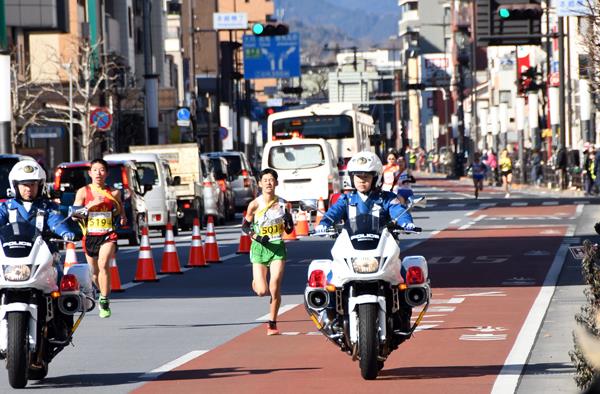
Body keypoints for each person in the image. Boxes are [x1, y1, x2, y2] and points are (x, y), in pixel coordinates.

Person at [0, 160, 76, 339]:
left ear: (40, 186)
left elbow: (56, 222)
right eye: (24, 185)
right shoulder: (6, 207)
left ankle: (62, 325)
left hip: (43, 258)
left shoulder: (48, 207)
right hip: (12, 259)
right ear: (15, 186)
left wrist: (65, 232)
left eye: (33, 185)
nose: (28, 189)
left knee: (61, 286)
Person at [242, 168, 294, 336]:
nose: (269, 183)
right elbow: (245, 226)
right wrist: (257, 237)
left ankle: (272, 323)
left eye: (271, 180)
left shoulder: (283, 204)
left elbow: (288, 230)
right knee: (262, 291)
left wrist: (287, 222)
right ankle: (256, 283)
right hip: (259, 248)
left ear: (276, 183)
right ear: (260, 183)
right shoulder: (255, 204)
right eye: (265, 180)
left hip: (277, 247)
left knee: (275, 285)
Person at [73, 159, 126, 318]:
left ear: (106, 173)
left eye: (102, 170)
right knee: (94, 272)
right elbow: (75, 216)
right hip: (90, 236)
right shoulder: (83, 192)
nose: (98, 173)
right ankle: (102, 291)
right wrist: (90, 205)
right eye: (95, 170)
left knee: (104, 264)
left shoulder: (115, 193)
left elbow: (120, 211)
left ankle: (104, 300)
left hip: (108, 235)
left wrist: (122, 217)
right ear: (90, 173)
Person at [315, 151, 415, 234]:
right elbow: (334, 212)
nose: (361, 180)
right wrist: (324, 223)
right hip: (351, 245)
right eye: (357, 177)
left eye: (366, 177)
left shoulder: (387, 198)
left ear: (376, 179)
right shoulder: (346, 199)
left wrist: (406, 222)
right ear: (351, 178)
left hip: (383, 244)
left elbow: (398, 211)